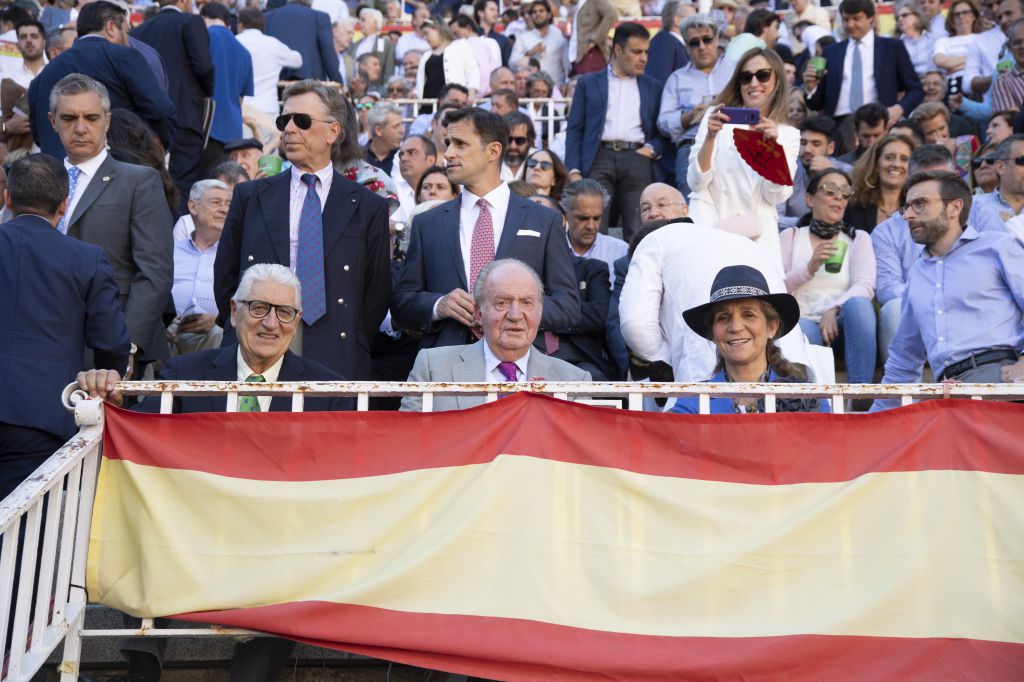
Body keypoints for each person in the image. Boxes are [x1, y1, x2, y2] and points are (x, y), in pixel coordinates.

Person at [77, 263, 351, 682]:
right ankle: (143, 674)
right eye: (259, 308)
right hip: (192, 534)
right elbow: (138, 442)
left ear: (297, 321)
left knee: (296, 572)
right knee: (148, 521)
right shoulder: (182, 375)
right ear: (234, 311)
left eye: (284, 312)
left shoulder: (328, 392)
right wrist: (111, 401)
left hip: (278, 543)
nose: (271, 323)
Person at [214, 79, 391, 381]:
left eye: (302, 121)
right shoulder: (250, 196)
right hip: (257, 344)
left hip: (337, 349)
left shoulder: (367, 206)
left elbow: (376, 293)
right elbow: (226, 276)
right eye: (284, 121)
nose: (289, 129)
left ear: (333, 131)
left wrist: (350, 336)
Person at [392, 107, 580, 351]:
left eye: (460, 144)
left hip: (522, 361)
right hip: (447, 361)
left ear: (493, 151)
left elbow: (568, 305)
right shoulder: (427, 223)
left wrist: (512, 311)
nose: (448, 154)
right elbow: (402, 303)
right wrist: (439, 305)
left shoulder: (544, 220)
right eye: (448, 143)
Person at [0, 153, 129, 500]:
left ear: (8, 198)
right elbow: (113, 343)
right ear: (63, 205)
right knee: (24, 527)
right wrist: (104, 384)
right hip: (41, 415)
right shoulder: (87, 259)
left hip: (39, 420)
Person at [50, 74, 174, 370]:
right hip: (46, 338)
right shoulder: (39, 178)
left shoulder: (139, 181)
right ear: (53, 121)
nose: (80, 128)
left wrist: (126, 344)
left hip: (110, 342)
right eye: (69, 118)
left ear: (107, 121)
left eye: (91, 118)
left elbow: (154, 271)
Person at [872, 170, 1024, 411]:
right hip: (946, 396)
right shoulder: (917, 274)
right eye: (907, 207)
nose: (908, 215)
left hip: (1000, 383)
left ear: (954, 207)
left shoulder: (997, 247)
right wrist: (875, 421)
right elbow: (903, 360)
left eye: (920, 204)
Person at [400, 259, 590, 412]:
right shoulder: (433, 368)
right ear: (478, 313)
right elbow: (408, 441)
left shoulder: (573, 382)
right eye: (502, 303)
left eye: (526, 303)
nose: (515, 315)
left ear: (539, 313)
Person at [688, 47, 798, 273]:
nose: (754, 83)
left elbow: (776, 195)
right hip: (711, 226)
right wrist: (710, 137)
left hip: (756, 237)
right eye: (746, 77)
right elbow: (696, 182)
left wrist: (773, 148)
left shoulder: (787, 134)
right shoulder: (715, 118)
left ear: (777, 80)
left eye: (763, 75)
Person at [29, 1, 176, 162]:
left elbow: (37, 128)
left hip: (58, 171)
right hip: (119, 167)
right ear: (111, 27)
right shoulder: (125, 57)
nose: (128, 41)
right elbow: (161, 110)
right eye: (126, 32)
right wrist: (159, 149)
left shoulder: (46, 72)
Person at [671, 264, 826, 414]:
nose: (735, 327)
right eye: (723, 317)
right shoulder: (694, 402)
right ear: (713, 332)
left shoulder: (805, 394)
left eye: (748, 315)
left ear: (771, 327)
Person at [565, 22, 665, 241]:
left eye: (646, 52)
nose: (644, 58)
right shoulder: (588, 83)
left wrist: (652, 149)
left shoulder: (654, 86)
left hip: (638, 157)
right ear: (618, 50)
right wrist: (573, 169)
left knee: (638, 228)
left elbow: (663, 130)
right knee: (593, 225)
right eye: (637, 52)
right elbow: (575, 129)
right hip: (598, 157)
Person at [780, 168, 877, 384]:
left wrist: (833, 310)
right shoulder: (791, 236)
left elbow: (865, 285)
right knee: (804, 328)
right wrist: (809, 268)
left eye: (845, 192)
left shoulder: (857, 238)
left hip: (843, 326)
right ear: (810, 199)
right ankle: (819, 400)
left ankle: (861, 393)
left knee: (860, 305)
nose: (838, 197)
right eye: (830, 190)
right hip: (804, 322)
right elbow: (776, 287)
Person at [131, 0, 215, 210]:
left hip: (147, 121)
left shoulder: (140, 30)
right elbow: (204, 67)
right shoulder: (191, 22)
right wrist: (207, 91)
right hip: (185, 114)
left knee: (148, 184)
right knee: (183, 184)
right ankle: (178, 229)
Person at [803, 0, 923, 126]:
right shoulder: (831, 52)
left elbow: (916, 89)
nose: (850, 24)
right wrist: (811, 88)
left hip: (878, 123)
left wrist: (899, 109)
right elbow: (817, 104)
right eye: (846, 19)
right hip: (838, 125)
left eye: (856, 18)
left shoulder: (892, 48)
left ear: (871, 18)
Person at [658, 13, 735, 198]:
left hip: (733, 143)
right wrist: (691, 115)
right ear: (686, 46)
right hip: (692, 146)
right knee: (693, 203)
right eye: (694, 42)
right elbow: (663, 122)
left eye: (707, 39)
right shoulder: (677, 78)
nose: (702, 47)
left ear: (717, 39)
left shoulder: (736, 69)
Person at [169, 179, 230, 356]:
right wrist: (164, 321)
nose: (224, 209)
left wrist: (218, 319)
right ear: (193, 206)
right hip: (169, 333)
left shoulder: (234, 254)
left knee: (219, 334)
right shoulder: (171, 251)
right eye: (216, 202)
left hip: (212, 335)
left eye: (228, 204)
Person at [200, 2, 254, 172]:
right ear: (228, 23)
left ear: (203, 18)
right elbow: (240, 98)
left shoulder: (202, 38)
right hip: (232, 131)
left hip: (205, 126)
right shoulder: (244, 52)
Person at [780, 115, 853, 228]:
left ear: (831, 148)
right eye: (803, 143)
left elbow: (853, 218)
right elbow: (775, 217)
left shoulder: (847, 172)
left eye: (816, 144)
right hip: (795, 235)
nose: (807, 150)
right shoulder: (787, 169)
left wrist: (831, 175)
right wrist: (807, 223)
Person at [236, 7, 303, 119]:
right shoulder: (273, 44)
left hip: (241, 108)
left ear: (241, 24)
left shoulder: (234, 41)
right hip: (267, 108)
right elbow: (298, 61)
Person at [560, 178, 628, 285]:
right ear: (565, 215)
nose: (591, 226)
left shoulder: (621, 251)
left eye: (596, 218)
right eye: (583, 218)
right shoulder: (551, 250)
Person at [846, 132, 917, 232]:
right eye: (889, 157)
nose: (896, 164)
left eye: (904, 159)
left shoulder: (917, 208)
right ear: (876, 165)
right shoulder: (853, 206)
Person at [263, 0, 341, 83]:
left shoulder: (267, 17)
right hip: (309, 83)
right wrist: (338, 82)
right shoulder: (320, 17)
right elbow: (328, 54)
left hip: (275, 81)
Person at [415, 15, 479, 100]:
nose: (425, 38)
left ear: (437, 29)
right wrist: (415, 94)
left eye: (427, 33)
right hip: (429, 103)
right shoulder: (426, 55)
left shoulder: (460, 45)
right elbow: (421, 82)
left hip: (454, 102)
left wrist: (471, 93)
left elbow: (472, 72)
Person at [510, 0, 566, 86]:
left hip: (555, 87)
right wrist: (530, 53)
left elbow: (566, 65)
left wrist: (565, 84)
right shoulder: (523, 38)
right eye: (534, 12)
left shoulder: (558, 35)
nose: (538, 14)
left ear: (549, 14)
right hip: (531, 89)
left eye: (541, 11)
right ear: (531, 16)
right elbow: (512, 64)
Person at [932, 0, 983, 82]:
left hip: (978, 81)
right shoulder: (943, 41)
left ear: (974, 16)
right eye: (957, 14)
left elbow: (986, 61)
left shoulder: (983, 39)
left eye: (965, 12)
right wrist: (975, 60)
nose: (961, 17)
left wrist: (953, 66)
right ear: (952, 20)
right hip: (952, 82)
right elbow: (940, 61)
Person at [450, 15, 501, 97]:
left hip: (480, 94)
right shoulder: (481, 43)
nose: (454, 37)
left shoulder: (472, 43)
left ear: (468, 28)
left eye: (456, 32)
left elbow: (483, 69)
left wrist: (477, 94)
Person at [392, 134, 437, 221]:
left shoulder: (447, 189)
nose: (403, 158)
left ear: (430, 161)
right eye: (401, 154)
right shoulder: (392, 191)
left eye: (412, 153)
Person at [568, 0, 618, 76]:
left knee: (591, 81)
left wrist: (594, 40)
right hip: (579, 55)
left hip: (592, 54)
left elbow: (611, 14)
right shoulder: (578, 4)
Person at [646, 1, 691, 85]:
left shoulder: (673, 42)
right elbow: (658, 80)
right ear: (678, 20)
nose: (697, 24)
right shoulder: (664, 41)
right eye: (693, 18)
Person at [893, 0, 935, 77]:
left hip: (930, 79)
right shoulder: (896, 45)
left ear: (917, 16)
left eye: (904, 15)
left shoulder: (931, 39)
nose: (900, 19)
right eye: (897, 18)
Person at [353, 8, 396, 82]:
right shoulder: (354, 45)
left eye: (363, 20)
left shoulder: (386, 45)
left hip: (376, 87)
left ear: (375, 23)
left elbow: (388, 72)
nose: (360, 23)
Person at [992, 18, 1024, 111]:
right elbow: (1009, 118)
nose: (1022, 46)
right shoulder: (1003, 82)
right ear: (1010, 48)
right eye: (1017, 43)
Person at [364, 101, 403, 175]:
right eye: (396, 126)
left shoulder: (403, 158)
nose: (402, 130)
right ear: (378, 130)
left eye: (402, 125)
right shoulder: (358, 158)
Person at [473, 0, 511, 66]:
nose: (496, 13)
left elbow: (506, 67)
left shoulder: (503, 40)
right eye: (492, 9)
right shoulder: (471, 37)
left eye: (497, 10)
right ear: (481, 13)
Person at [500, 110, 535, 180]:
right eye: (508, 140)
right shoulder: (490, 162)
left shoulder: (539, 161)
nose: (513, 146)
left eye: (520, 140)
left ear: (529, 142)